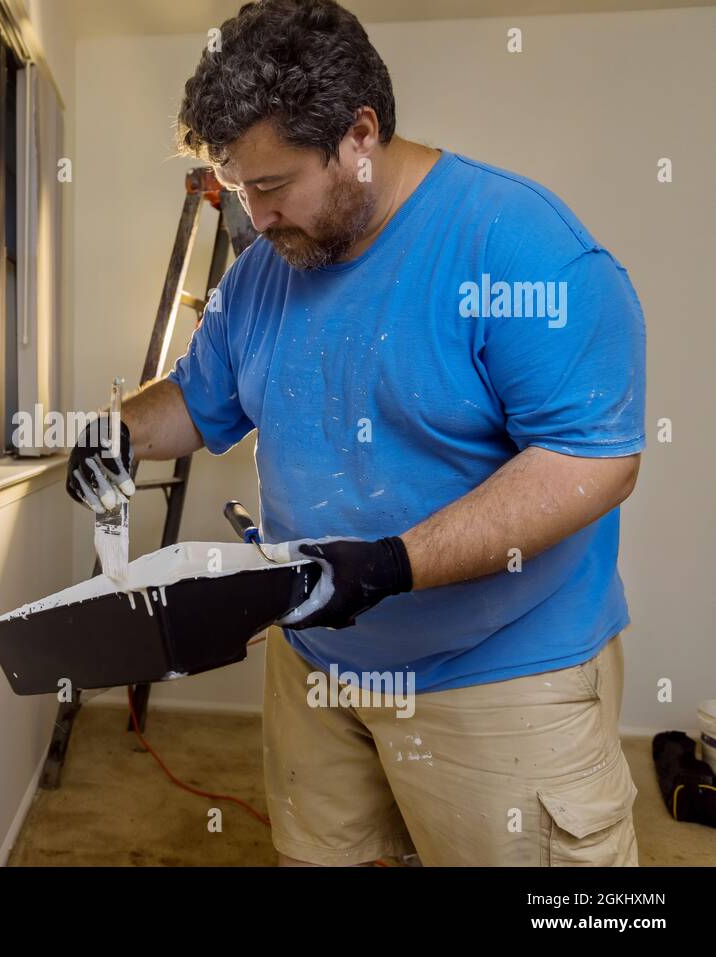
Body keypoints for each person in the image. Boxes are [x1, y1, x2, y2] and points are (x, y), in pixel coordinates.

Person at [66, 0, 646, 867]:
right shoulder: (263, 273)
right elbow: (198, 397)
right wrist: (116, 433)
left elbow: (590, 463)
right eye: (239, 189)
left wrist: (390, 565)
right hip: (316, 661)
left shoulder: (522, 249)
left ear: (360, 135)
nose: (255, 217)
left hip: (500, 674)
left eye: (271, 186)